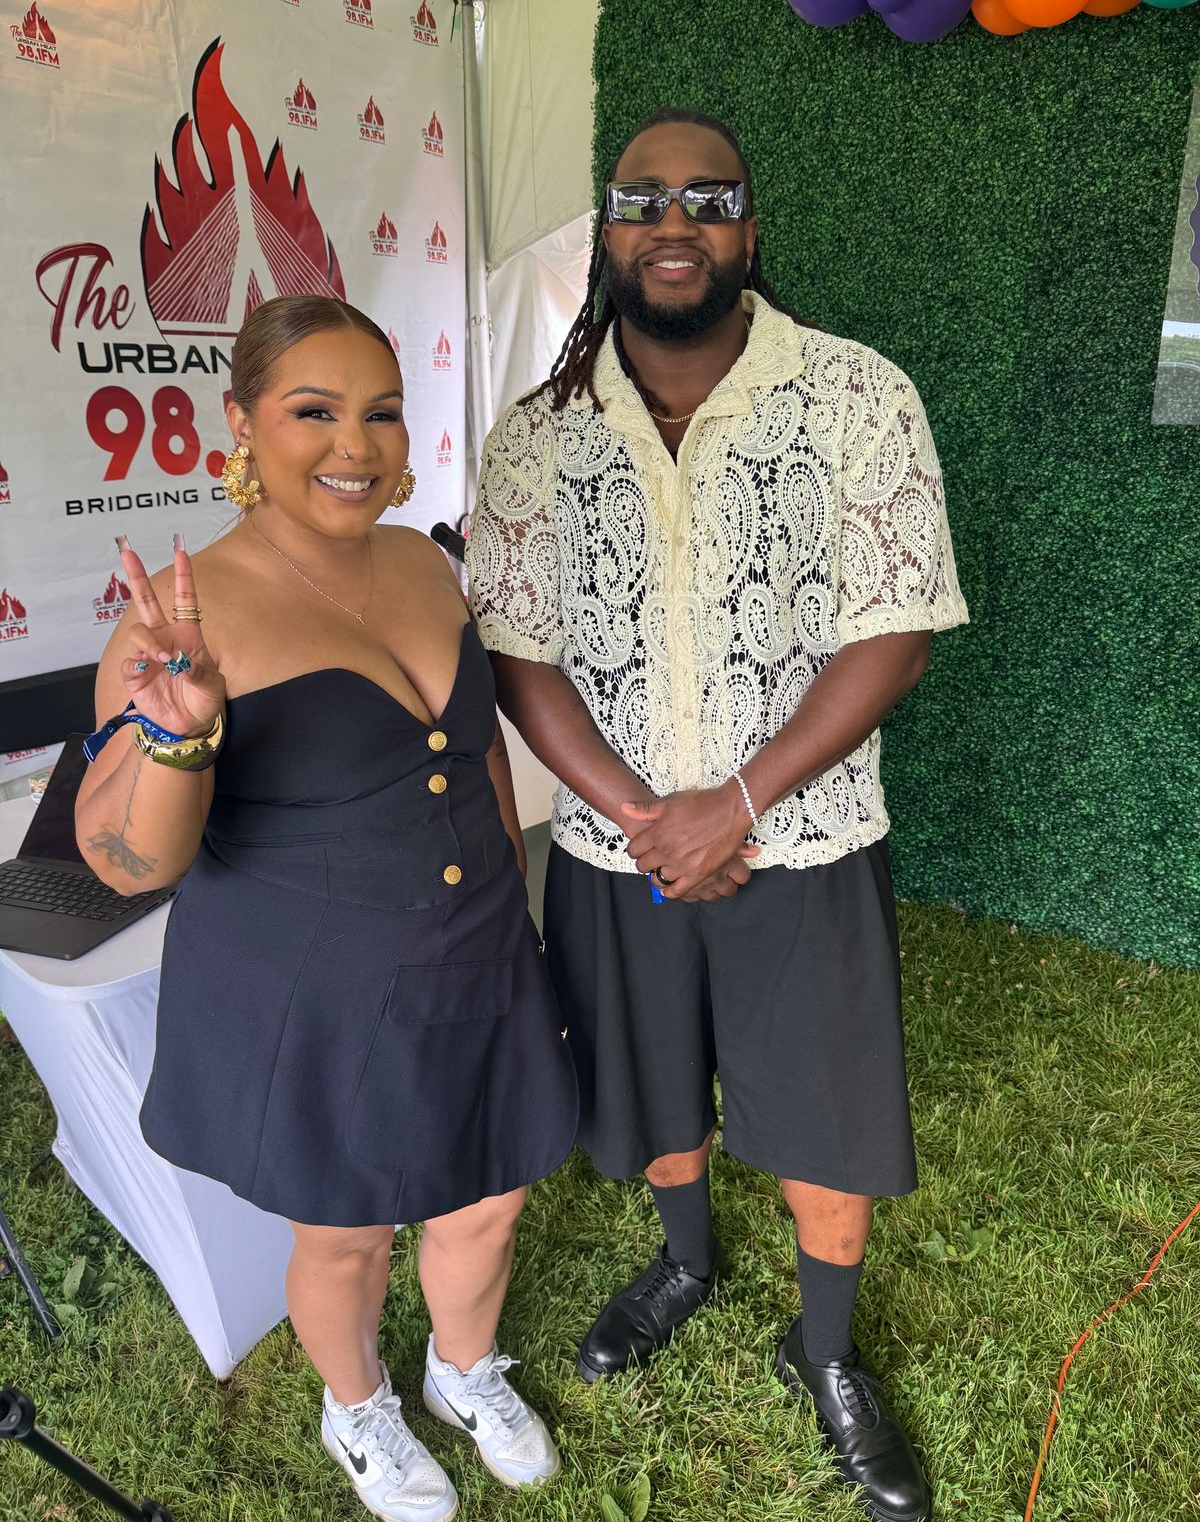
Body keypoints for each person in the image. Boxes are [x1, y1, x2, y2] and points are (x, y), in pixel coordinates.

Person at [467, 109, 969, 1522]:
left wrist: (736, 803)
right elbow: (518, 648)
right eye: (642, 199)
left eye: (706, 196)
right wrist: (648, 817)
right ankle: (686, 1259)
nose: (672, 221)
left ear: (750, 227)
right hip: (616, 849)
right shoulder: (539, 434)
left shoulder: (859, 396)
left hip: (803, 843)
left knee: (825, 1122)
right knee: (649, 1090)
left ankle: (828, 1350)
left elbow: (894, 634)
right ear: (606, 232)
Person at [76, 294, 577, 1522]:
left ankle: (463, 1370)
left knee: (489, 1193)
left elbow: (479, 752)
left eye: (382, 412)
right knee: (348, 1232)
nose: (357, 445)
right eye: (315, 411)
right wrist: (174, 732)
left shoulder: (424, 563)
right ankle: (356, 1406)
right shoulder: (184, 617)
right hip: (315, 991)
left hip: (477, 952)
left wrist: (511, 909)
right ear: (241, 424)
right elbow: (127, 863)